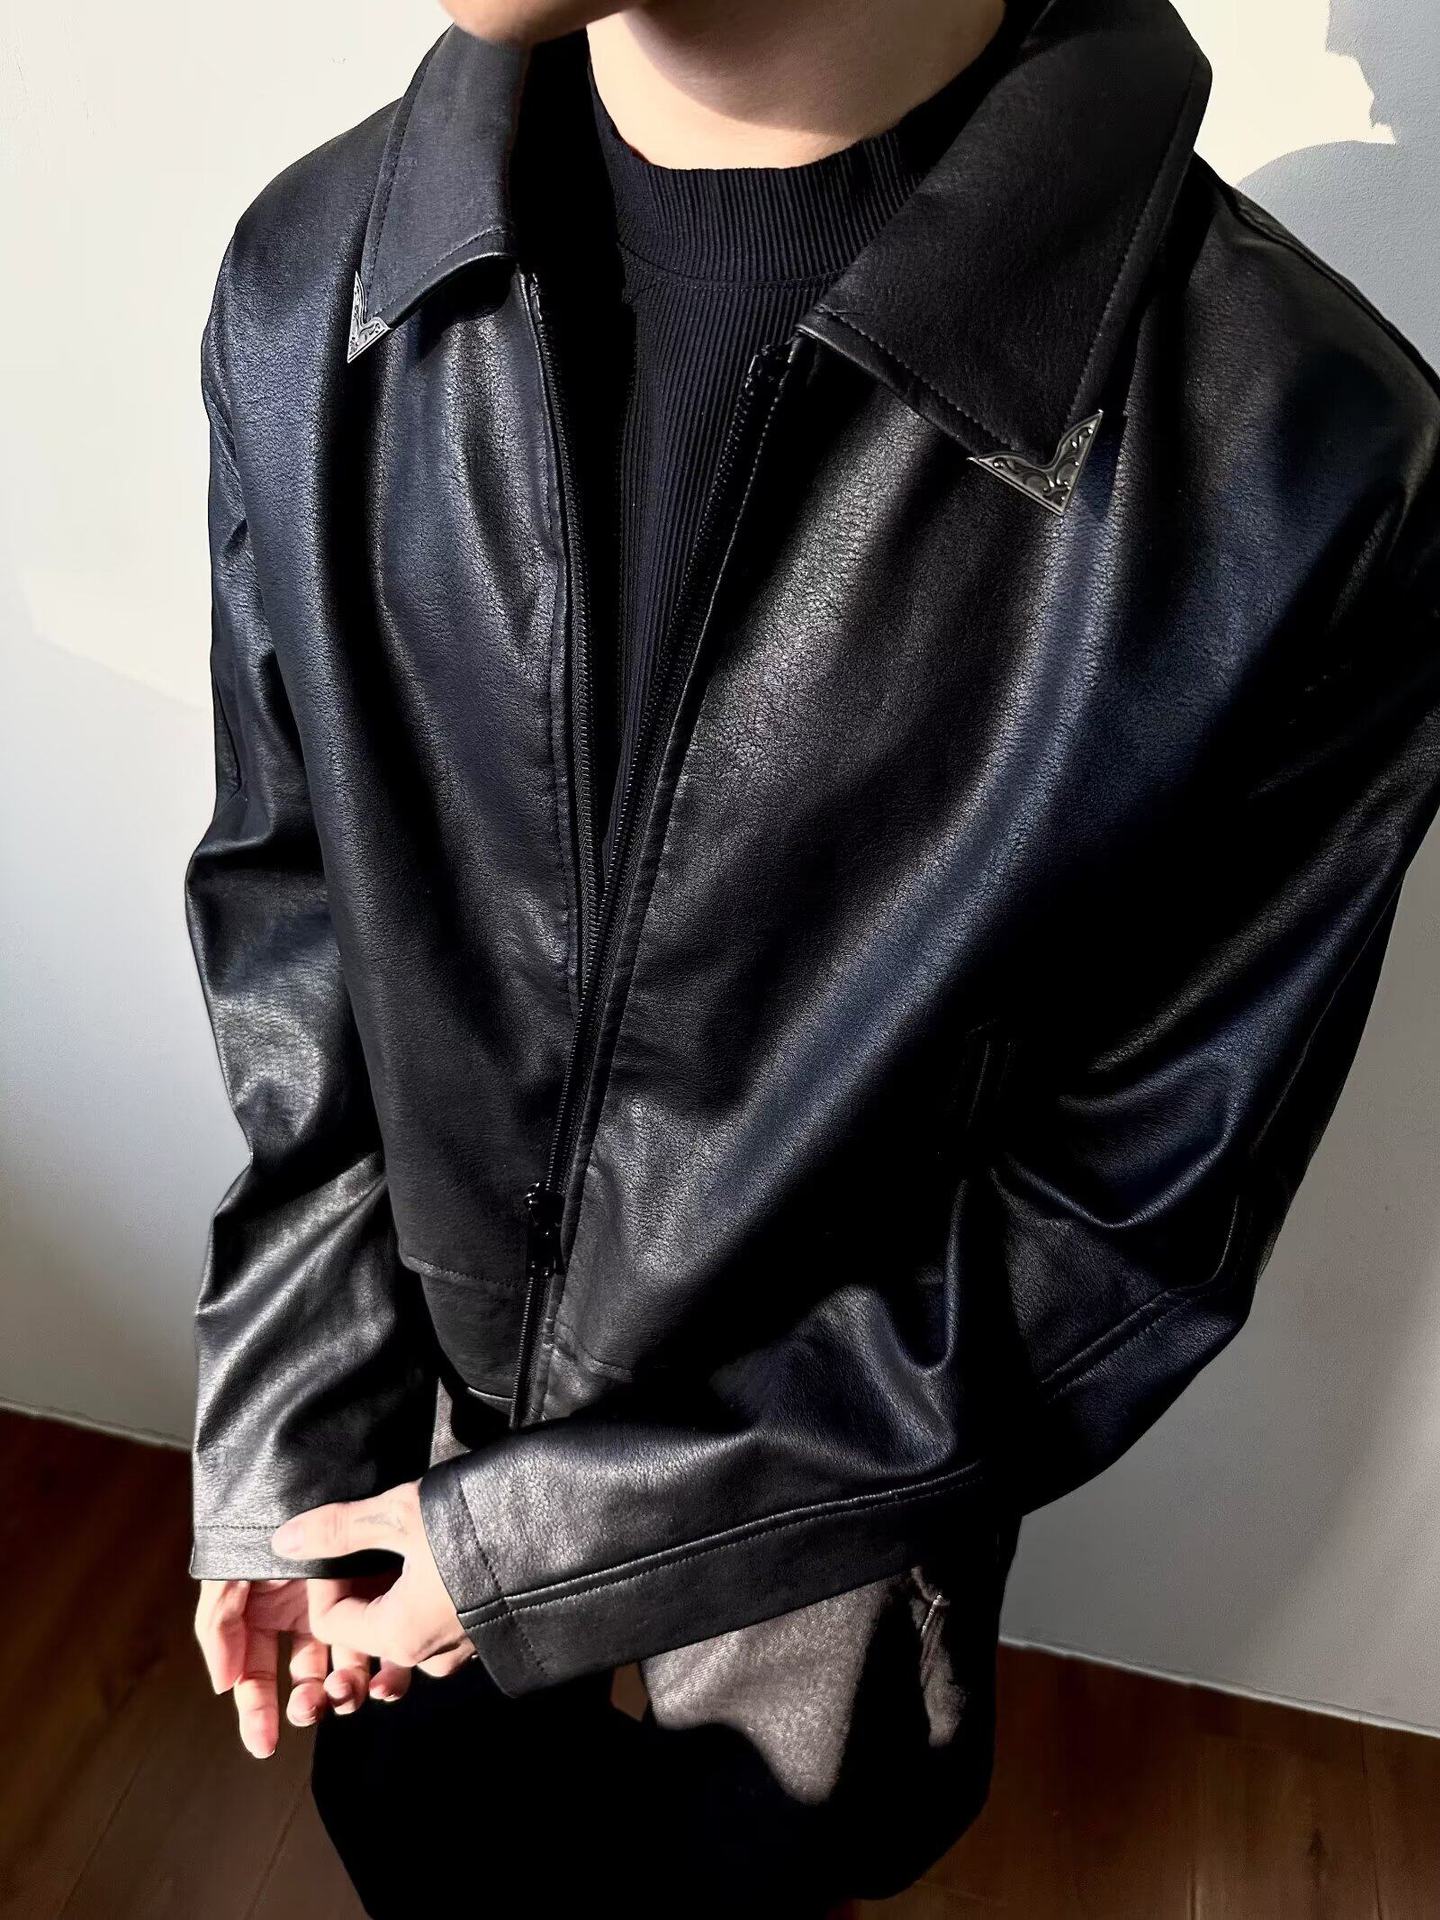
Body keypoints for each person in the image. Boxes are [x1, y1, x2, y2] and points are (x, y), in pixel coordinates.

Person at [184, 0, 1440, 1911]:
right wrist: (288, 1429)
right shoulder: (321, 274)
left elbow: (1126, 1225)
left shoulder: (1304, 453)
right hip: (393, 1494)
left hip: (827, 1554)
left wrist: (537, 1550)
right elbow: (296, 913)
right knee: (425, 1857)